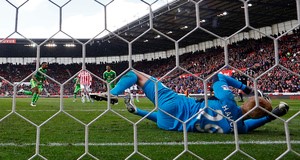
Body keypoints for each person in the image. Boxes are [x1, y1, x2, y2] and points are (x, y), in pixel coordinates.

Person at [94, 70, 289, 134]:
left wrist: (247, 89)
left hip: (176, 104)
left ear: (248, 101)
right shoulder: (239, 128)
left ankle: (113, 93)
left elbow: (217, 76)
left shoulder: (229, 101)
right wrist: (273, 115)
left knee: (135, 74)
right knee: (167, 117)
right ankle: (137, 110)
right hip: (171, 125)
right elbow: (256, 124)